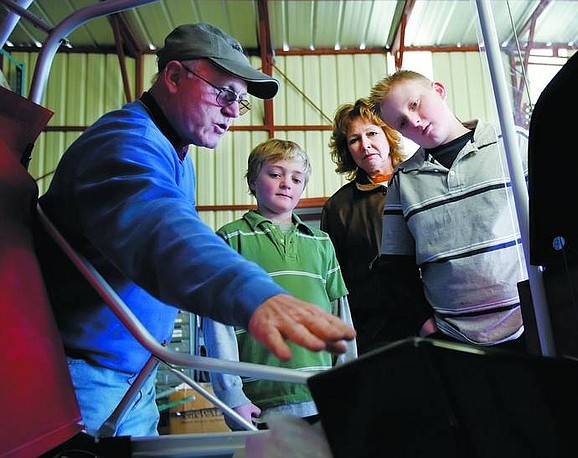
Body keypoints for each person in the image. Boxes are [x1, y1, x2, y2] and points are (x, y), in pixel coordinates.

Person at [34, 23, 355, 438]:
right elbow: (160, 228)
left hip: (134, 376)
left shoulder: (180, 155)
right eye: (224, 94)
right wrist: (256, 294)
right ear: (173, 77)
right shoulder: (125, 143)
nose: (231, 112)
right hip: (84, 374)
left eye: (239, 102)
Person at [368, 69, 528, 351]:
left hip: (531, 327)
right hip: (455, 340)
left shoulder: (514, 144)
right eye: (402, 123)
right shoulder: (403, 181)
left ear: (439, 90)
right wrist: (429, 331)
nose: (414, 121)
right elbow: (395, 268)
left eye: (415, 104)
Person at [203, 139, 357, 429]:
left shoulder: (321, 243)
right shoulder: (229, 239)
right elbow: (218, 325)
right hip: (261, 402)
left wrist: (349, 382)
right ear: (252, 180)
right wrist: (232, 395)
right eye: (275, 174)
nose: (287, 183)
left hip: (322, 394)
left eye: (296, 178)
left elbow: (340, 318)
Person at [320, 98, 431, 354]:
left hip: (439, 320)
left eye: (372, 133)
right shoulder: (338, 208)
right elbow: (336, 282)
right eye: (354, 140)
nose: (365, 145)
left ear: (389, 136)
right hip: (376, 335)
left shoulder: (423, 182)